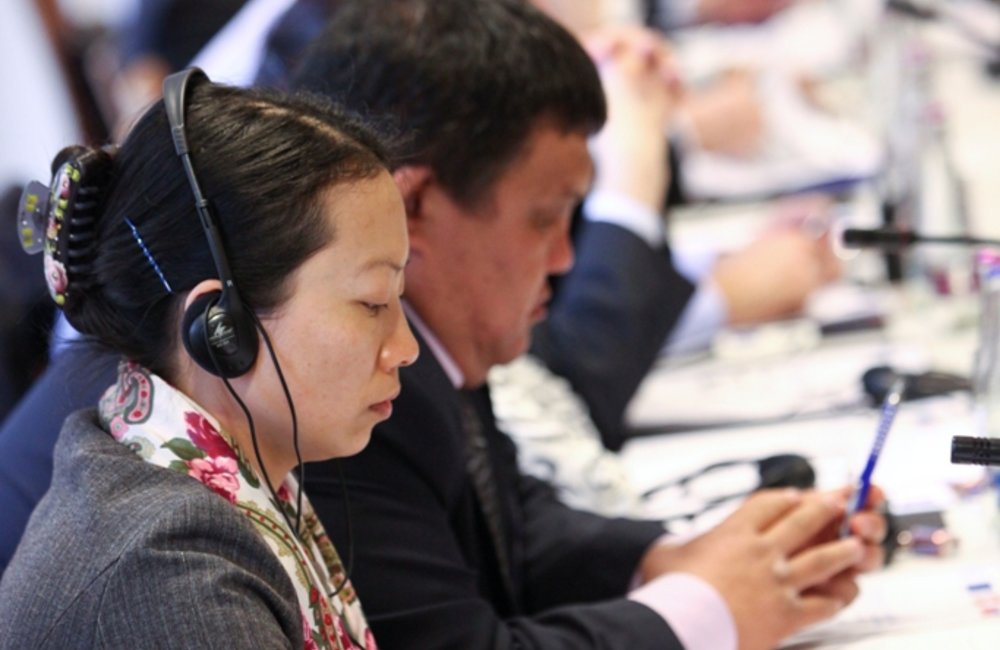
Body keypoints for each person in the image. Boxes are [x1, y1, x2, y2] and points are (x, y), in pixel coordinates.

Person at [292, 1, 885, 649]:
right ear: (415, 206)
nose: (564, 258)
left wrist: (675, 560)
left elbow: (509, 529)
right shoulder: (342, 392)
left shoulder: (432, 340)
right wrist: (705, 610)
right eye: (544, 219)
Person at [0, 68, 417, 647]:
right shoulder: (168, 579)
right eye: (372, 303)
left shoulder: (201, 482)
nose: (405, 348)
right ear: (221, 327)